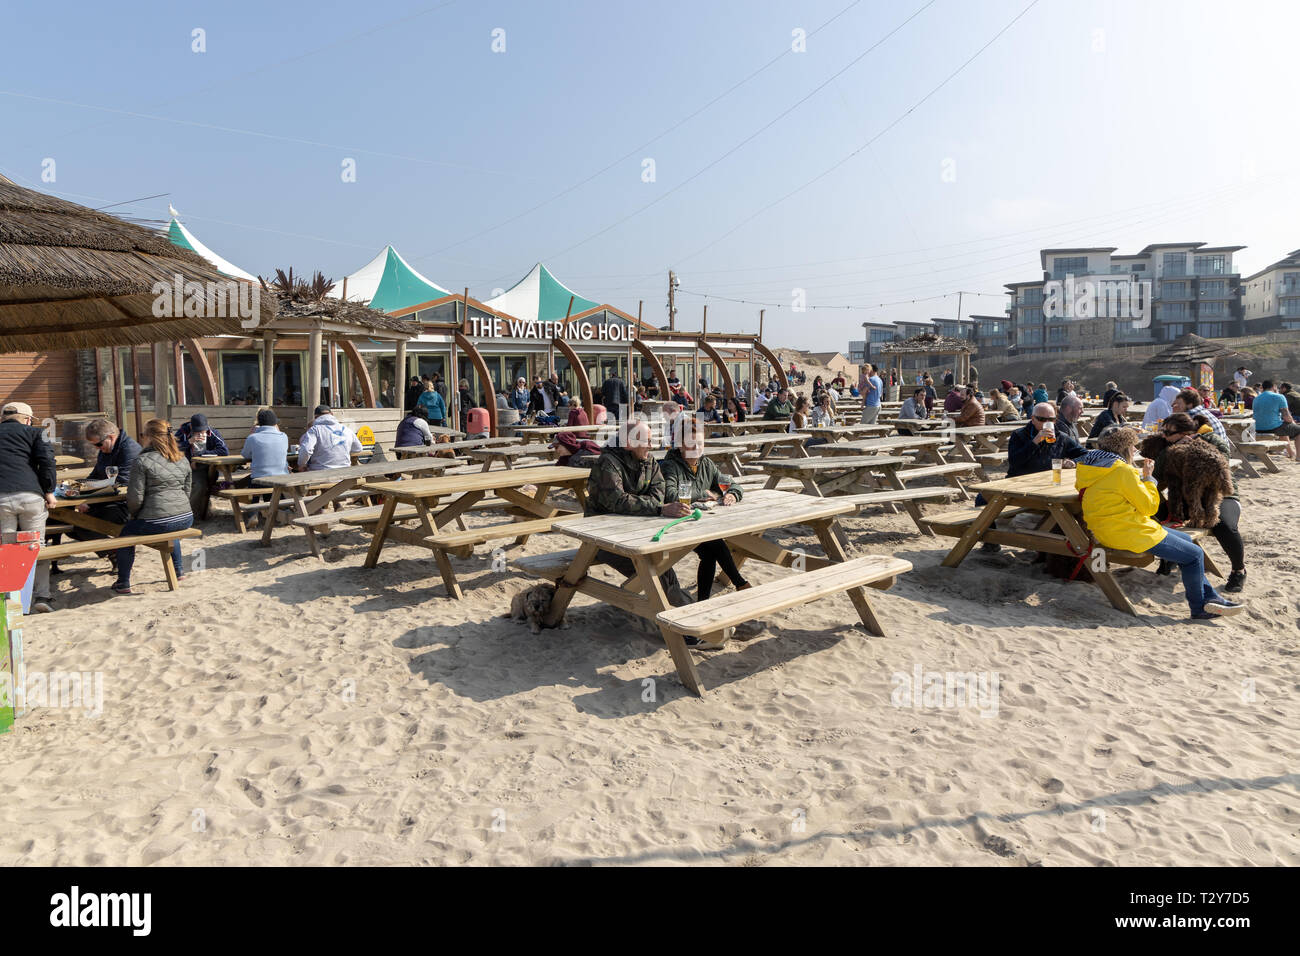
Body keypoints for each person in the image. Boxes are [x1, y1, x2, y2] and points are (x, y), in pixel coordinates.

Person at [1077, 426, 1242, 620]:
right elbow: (1150, 508)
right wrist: (1148, 479)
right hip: (1127, 532)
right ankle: (1199, 607)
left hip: (1107, 528)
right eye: (1133, 446)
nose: (1135, 451)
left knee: (1188, 542)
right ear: (1125, 448)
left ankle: (1211, 598)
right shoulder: (1122, 471)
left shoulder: (1089, 466)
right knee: (1194, 555)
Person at [585, 418, 691, 609]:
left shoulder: (649, 461)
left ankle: (686, 613)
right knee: (654, 571)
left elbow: (659, 494)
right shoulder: (608, 462)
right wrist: (657, 509)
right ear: (629, 444)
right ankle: (685, 622)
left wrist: (653, 506)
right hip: (602, 538)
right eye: (647, 441)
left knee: (663, 568)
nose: (652, 445)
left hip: (635, 533)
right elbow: (618, 501)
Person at [660, 416, 750, 612]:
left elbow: (731, 484)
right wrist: (705, 494)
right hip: (673, 524)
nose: (696, 447)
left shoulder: (706, 463)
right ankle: (740, 583)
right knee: (715, 544)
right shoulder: (670, 465)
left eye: (700, 443)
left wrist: (733, 494)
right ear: (680, 444)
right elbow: (672, 494)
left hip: (697, 523)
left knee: (710, 552)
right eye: (691, 443)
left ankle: (703, 603)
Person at [1154, 413, 1246, 592]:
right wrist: (1169, 451)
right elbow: (1156, 477)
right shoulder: (1166, 446)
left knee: (1223, 525)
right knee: (1155, 513)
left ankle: (1238, 570)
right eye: (1162, 431)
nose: (1163, 435)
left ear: (1186, 432)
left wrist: (1196, 446)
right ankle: (1170, 556)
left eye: (1168, 432)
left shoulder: (1212, 439)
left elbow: (1222, 460)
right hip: (1187, 498)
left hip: (1221, 495)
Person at [111, 419, 193, 596]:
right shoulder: (182, 458)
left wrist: (135, 515)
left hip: (159, 519)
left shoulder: (141, 461)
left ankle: (123, 581)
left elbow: (135, 498)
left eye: (142, 434)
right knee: (169, 524)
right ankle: (178, 571)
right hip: (185, 517)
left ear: (149, 437)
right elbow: (187, 491)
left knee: (125, 534)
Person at [0, 401, 56, 612]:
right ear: (27, 419)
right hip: (30, 495)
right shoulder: (35, 433)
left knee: (6, 550)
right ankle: (42, 596)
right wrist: (49, 491)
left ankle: (10, 598)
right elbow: (47, 462)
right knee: (36, 546)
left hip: (1, 499)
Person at [68, 419, 140, 545]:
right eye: (94, 445)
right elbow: (95, 475)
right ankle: (112, 552)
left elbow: (121, 482)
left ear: (111, 437)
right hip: (109, 500)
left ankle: (114, 552)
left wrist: (88, 500)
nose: (97, 448)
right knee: (72, 523)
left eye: (98, 444)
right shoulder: (106, 449)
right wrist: (78, 486)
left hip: (125, 505)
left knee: (82, 525)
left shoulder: (129, 450)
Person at [1007, 403, 1086, 478]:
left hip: (1049, 481)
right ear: (1033, 419)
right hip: (1021, 481)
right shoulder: (1019, 435)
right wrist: (1034, 442)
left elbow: (1086, 455)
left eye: (1051, 419)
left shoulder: (1061, 437)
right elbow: (1014, 462)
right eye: (1042, 419)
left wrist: (1074, 462)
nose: (1047, 423)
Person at [175, 413, 229, 522]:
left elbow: (224, 451)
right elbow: (173, 449)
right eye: (197, 431)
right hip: (186, 469)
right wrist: (189, 442)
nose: (200, 433)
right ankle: (191, 515)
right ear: (191, 427)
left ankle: (195, 514)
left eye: (202, 431)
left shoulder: (212, 432)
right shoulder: (183, 432)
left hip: (208, 468)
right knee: (199, 485)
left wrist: (201, 455)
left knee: (204, 484)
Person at [298, 405, 363, 471]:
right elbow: (358, 448)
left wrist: (302, 464)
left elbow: (306, 449)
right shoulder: (347, 429)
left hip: (320, 474)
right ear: (332, 414)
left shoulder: (315, 430)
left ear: (316, 417)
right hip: (345, 473)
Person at [1251, 379, 1300, 459]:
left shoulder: (1256, 398)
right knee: (1297, 430)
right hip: (1272, 427)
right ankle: (1299, 457)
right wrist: (1293, 422)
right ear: (1274, 387)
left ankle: (1291, 453)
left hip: (1257, 427)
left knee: (1284, 427)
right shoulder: (1279, 396)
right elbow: (1287, 417)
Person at [242, 408, 290, 479]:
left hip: (260, 480)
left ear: (259, 423)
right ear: (275, 423)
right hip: (282, 479)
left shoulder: (252, 438)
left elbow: (245, 455)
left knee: (243, 482)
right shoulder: (284, 436)